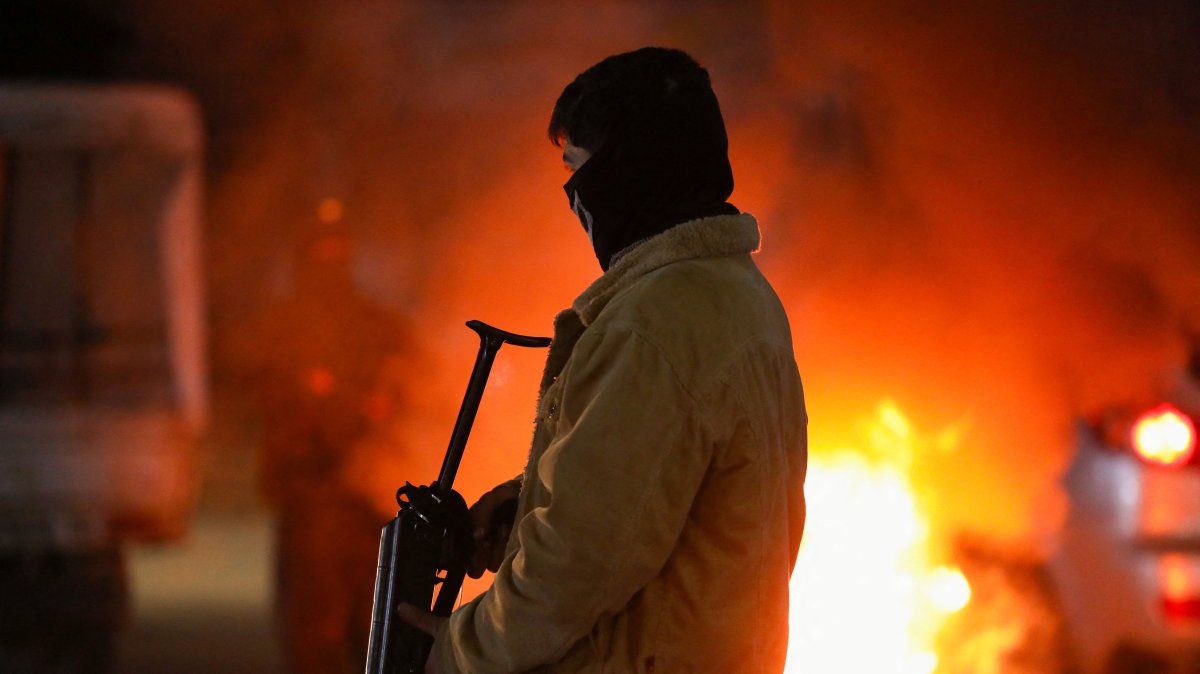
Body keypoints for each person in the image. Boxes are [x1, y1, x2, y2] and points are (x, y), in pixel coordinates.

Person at [401, 47, 808, 673]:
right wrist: (530, 502)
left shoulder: (654, 322)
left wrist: (458, 651)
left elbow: (577, 564)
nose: (575, 198)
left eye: (577, 169)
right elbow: (665, 498)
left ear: (626, 170)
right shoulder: (741, 295)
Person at [238, 220, 415, 674]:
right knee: (318, 636)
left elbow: (411, 395)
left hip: (364, 502)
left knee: (368, 631)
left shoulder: (376, 327)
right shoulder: (286, 328)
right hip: (312, 503)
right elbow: (262, 397)